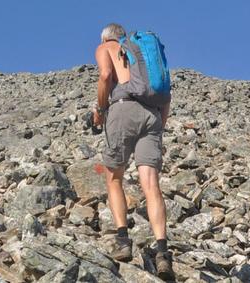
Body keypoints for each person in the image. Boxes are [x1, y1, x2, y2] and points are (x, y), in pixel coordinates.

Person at [92, 23, 173, 279]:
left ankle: (123, 240)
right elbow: (166, 96)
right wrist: (159, 123)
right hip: (152, 115)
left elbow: (105, 75)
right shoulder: (140, 55)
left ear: (107, 37)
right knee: (151, 185)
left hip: (123, 109)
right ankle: (162, 252)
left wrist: (101, 109)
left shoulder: (107, 46)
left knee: (114, 177)